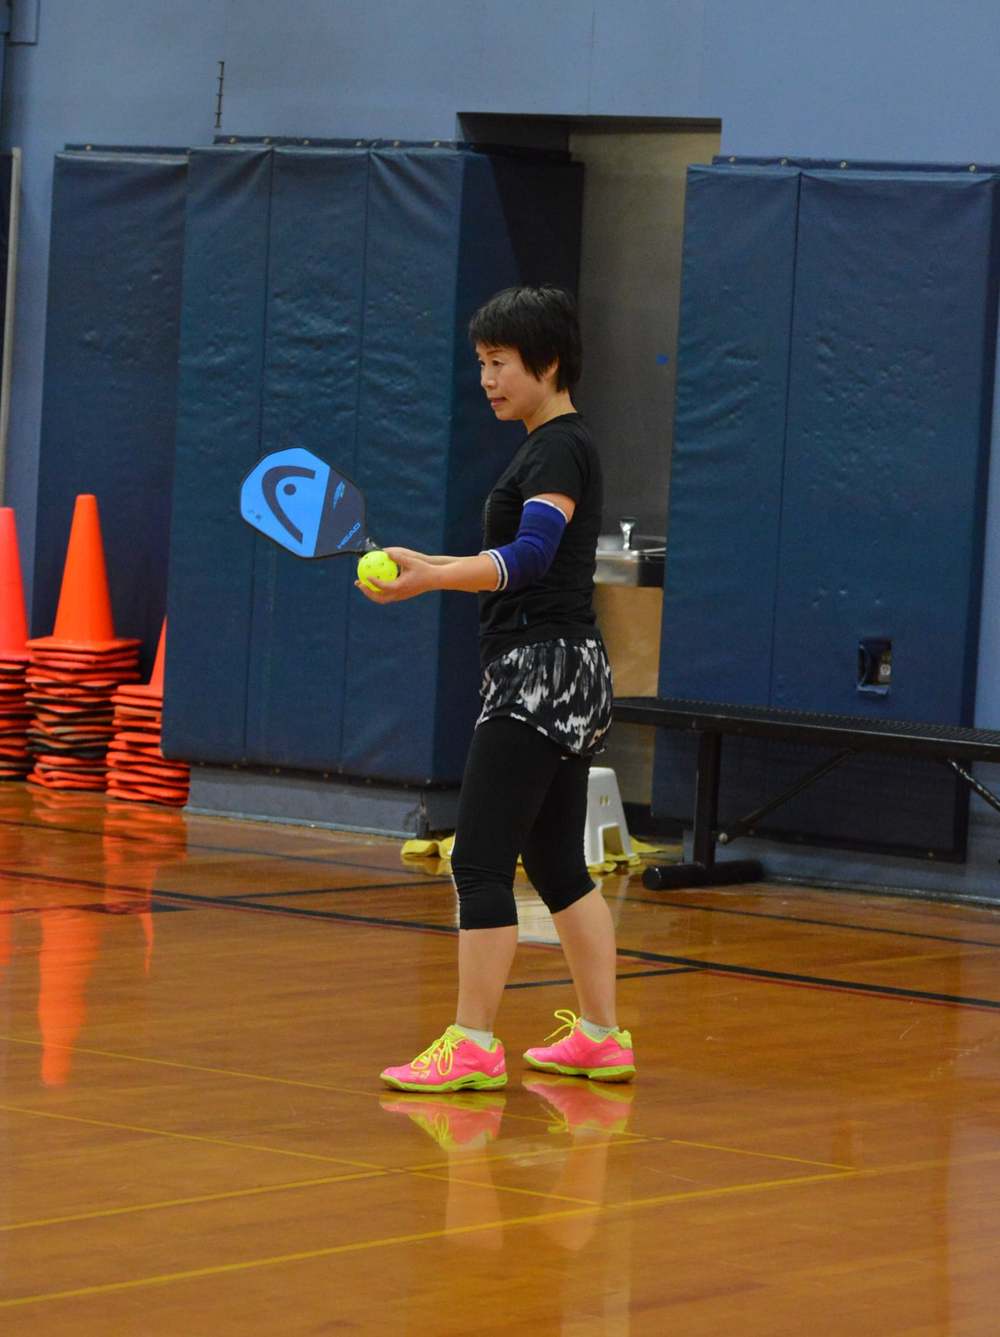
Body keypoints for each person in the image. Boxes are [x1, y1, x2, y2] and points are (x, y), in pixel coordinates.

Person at [358, 285, 635, 1092]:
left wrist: (431, 579)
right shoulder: (554, 444)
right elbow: (514, 565)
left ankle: (473, 1043)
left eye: (500, 362)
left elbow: (530, 557)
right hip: (574, 672)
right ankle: (601, 1035)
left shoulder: (555, 447)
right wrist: (433, 567)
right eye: (480, 363)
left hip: (538, 676)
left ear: (546, 364)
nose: (486, 378)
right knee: (557, 862)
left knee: (478, 859)